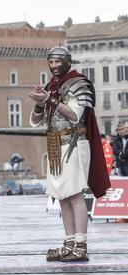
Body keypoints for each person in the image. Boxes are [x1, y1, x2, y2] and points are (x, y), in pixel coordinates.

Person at [29, 46, 110, 262]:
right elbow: (37, 121)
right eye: (51, 62)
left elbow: (75, 115)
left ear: (67, 62)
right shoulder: (51, 87)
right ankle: (69, 243)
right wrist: (39, 104)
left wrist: (50, 100)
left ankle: (81, 245)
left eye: (58, 61)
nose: (54, 66)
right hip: (56, 144)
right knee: (63, 198)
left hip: (74, 143)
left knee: (74, 195)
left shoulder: (79, 83)